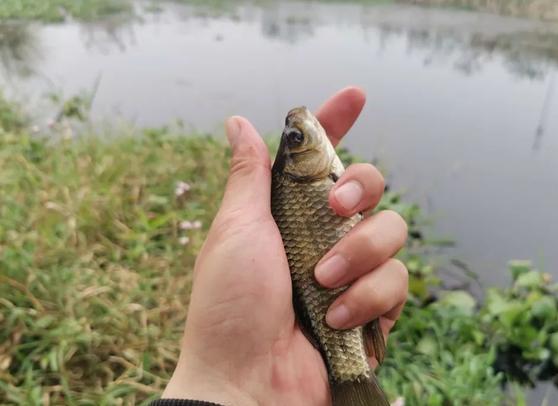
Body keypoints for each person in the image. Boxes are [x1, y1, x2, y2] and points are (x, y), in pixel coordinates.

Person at [152, 87, 409, 406]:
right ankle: (350, 377)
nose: (300, 131)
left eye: (295, 138)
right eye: (297, 139)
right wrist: (217, 380)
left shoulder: (309, 180)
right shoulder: (314, 179)